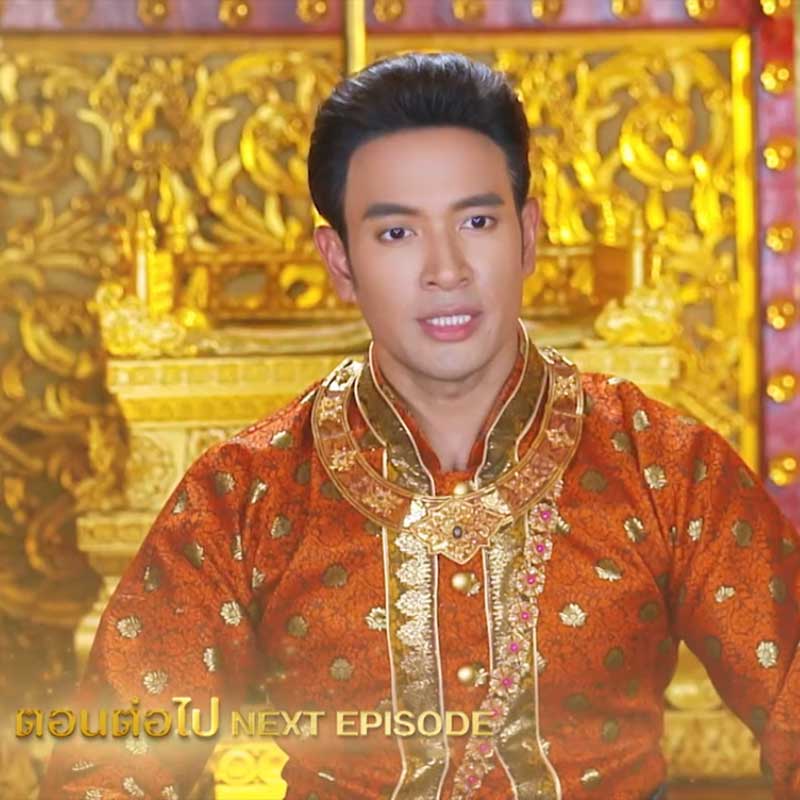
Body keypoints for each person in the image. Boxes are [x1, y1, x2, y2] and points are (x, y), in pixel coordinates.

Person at [39, 51, 799, 800]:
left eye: (477, 220)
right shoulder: (248, 492)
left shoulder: (660, 464)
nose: (446, 269)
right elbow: (110, 769)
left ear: (528, 234)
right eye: (397, 233)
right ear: (340, 260)